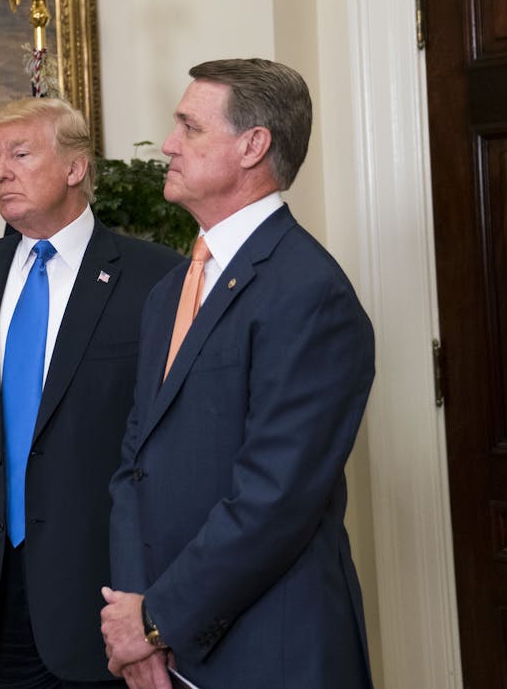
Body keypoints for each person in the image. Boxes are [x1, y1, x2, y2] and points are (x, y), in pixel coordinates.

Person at [0, 97, 183, 687]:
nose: (1, 171)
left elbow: (173, 452)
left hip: (105, 596)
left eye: (21, 154)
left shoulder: (157, 279)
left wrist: (159, 599)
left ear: (75, 167)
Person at [101, 59, 374, 689]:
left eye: (189, 127)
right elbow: (134, 464)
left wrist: (156, 621)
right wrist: (133, 623)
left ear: (253, 146)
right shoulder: (170, 290)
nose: (168, 144)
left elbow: (274, 501)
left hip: (270, 647)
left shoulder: (311, 291)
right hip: (165, 649)